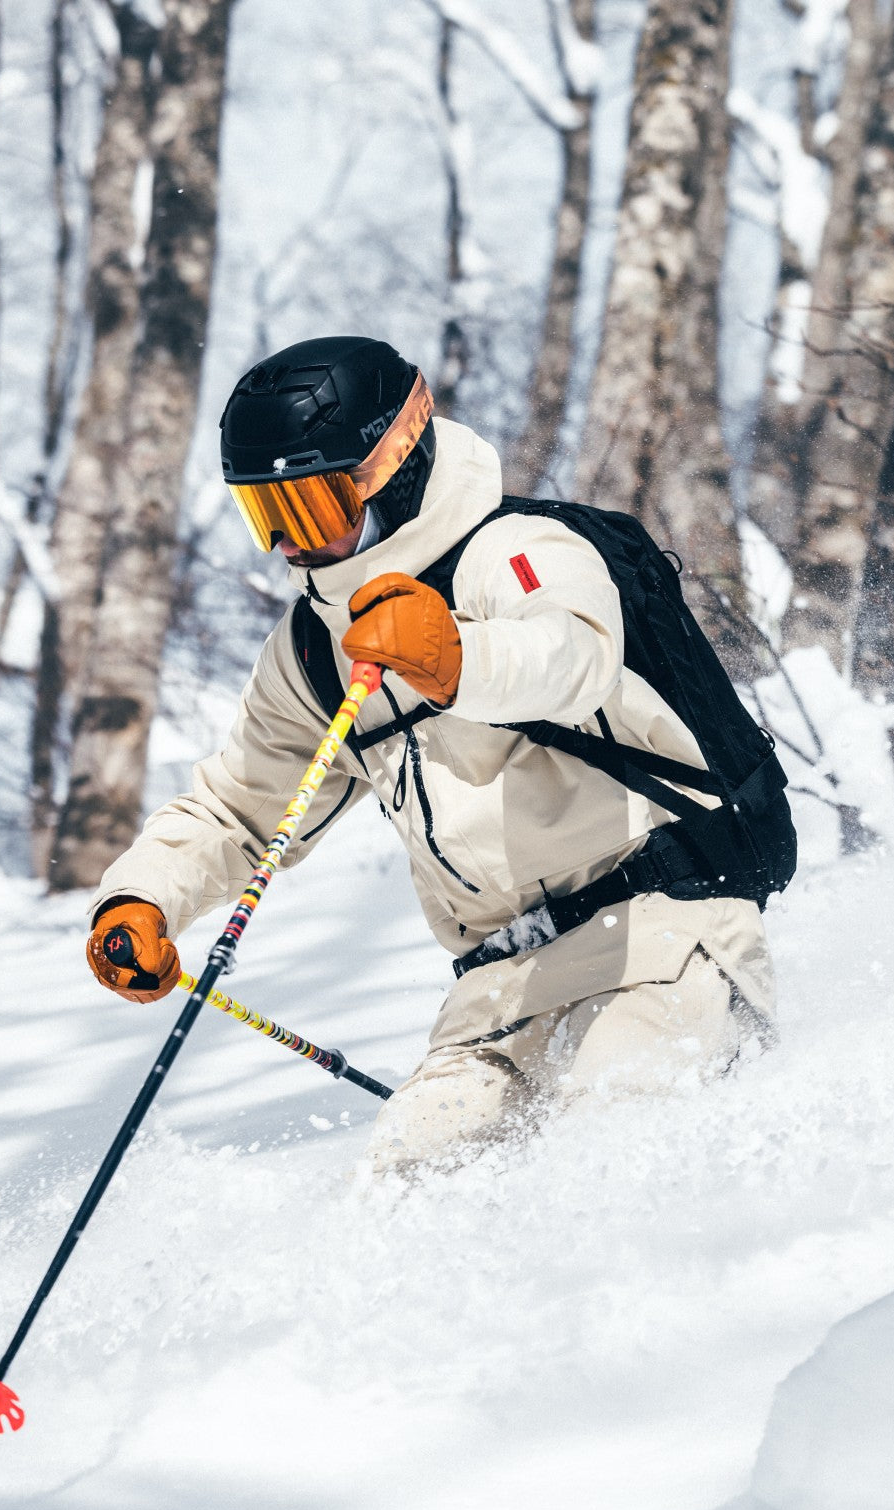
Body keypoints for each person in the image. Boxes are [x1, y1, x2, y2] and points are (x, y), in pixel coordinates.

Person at [86, 335, 776, 1174]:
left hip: (659, 932)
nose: (289, 547)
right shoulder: (311, 651)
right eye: (266, 515)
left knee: (612, 1144)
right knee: (404, 1191)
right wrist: (143, 895)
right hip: (497, 995)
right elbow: (238, 808)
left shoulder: (515, 550)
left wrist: (456, 657)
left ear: (393, 469)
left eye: (311, 508)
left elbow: (573, 655)